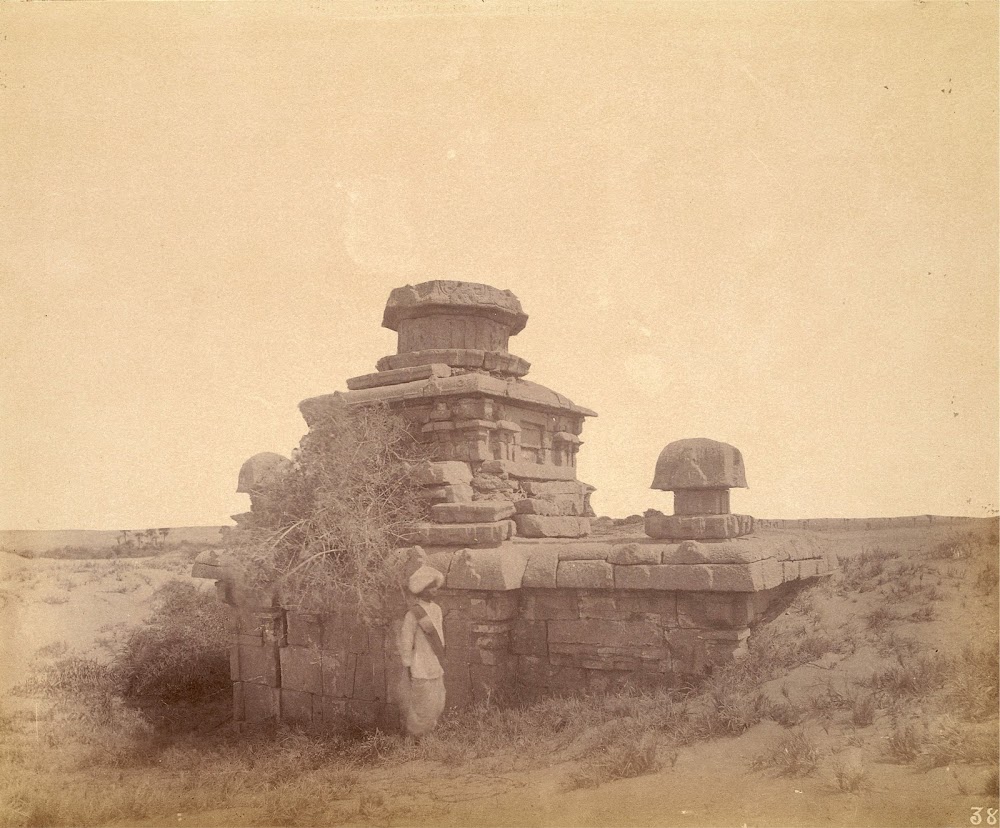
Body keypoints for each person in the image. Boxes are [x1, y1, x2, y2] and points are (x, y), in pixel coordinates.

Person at [396, 565, 446, 739]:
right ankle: (415, 740)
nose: (434, 590)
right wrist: (407, 664)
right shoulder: (413, 614)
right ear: (422, 590)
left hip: (435, 664)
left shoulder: (437, 610)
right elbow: (406, 641)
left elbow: (440, 638)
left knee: (437, 703)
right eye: (430, 587)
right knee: (420, 706)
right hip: (420, 666)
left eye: (435, 586)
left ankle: (429, 737)